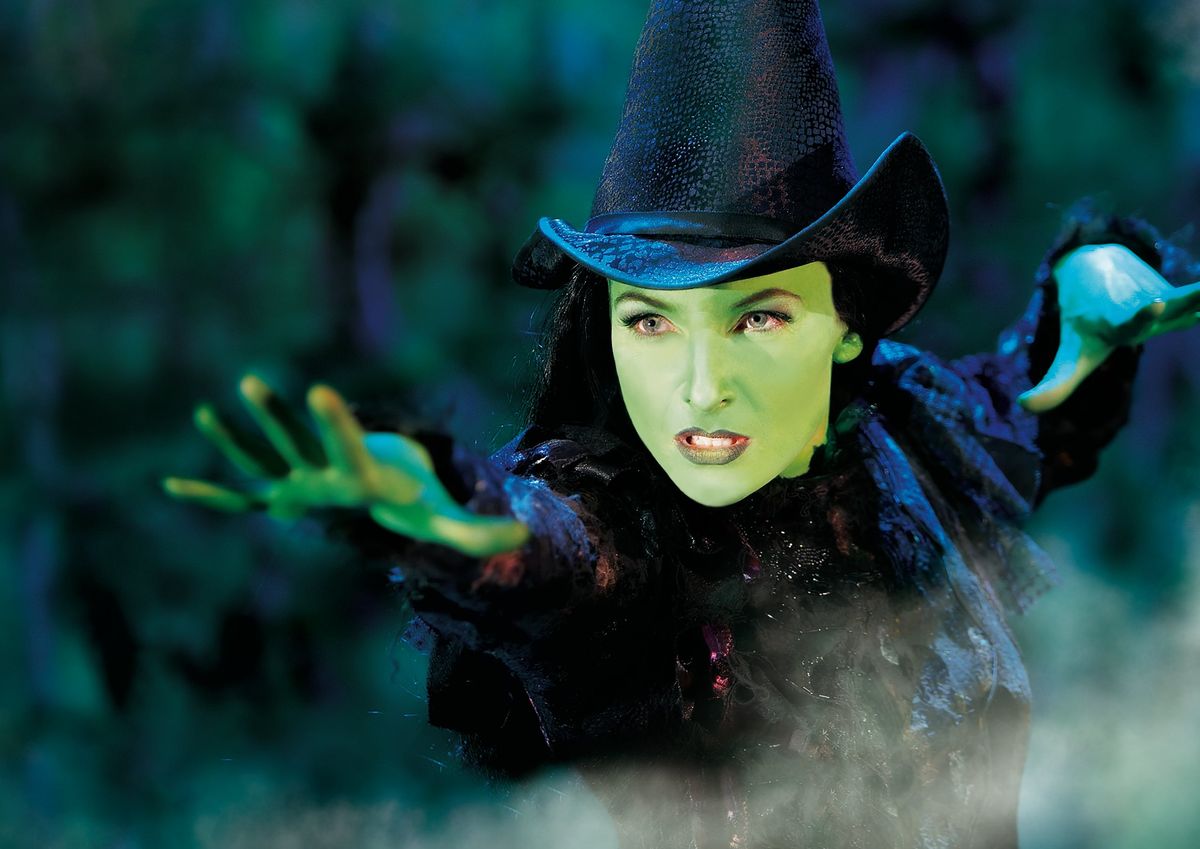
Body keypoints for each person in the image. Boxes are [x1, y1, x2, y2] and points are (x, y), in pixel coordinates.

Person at [165, 1, 1200, 847]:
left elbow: (1024, 403)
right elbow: (557, 552)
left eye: (758, 317)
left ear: (848, 324)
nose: (701, 387)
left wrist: (1087, 306)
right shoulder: (616, 531)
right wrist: (454, 521)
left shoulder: (910, 429)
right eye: (651, 321)